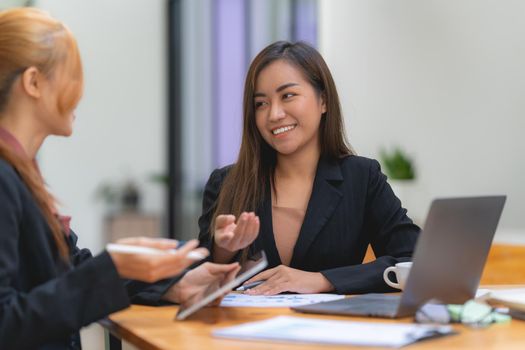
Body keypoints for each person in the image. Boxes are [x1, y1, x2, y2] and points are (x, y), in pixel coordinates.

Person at [0, 8, 239, 349]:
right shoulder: (5, 179)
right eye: (71, 75)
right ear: (33, 82)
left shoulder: (20, 174)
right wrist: (115, 266)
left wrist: (172, 284)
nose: (79, 91)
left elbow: (72, 271)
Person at [198, 41, 420, 296]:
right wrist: (223, 251)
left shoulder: (362, 178)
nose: (274, 114)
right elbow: (196, 285)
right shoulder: (227, 183)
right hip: (241, 331)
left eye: (288, 96)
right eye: (261, 103)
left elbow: (414, 261)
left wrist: (323, 280)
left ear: (323, 100)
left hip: (331, 332)